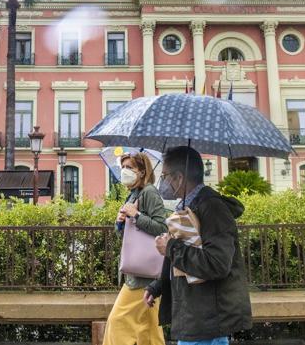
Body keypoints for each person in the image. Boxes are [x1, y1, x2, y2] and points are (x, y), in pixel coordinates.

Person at [144, 146, 252, 345]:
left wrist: (170, 247)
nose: (162, 181)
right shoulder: (189, 206)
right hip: (195, 315)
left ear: (179, 178)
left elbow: (217, 263)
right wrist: (158, 286)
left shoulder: (212, 208)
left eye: (165, 175)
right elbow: (186, 257)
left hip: (208, 320)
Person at [103, 152, 168, 345]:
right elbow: (129, 236)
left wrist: (137, 215)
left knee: (118, 322)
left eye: (130, 168)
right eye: (123, 167)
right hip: (143, 273)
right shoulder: (133, 194)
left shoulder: (149, 192)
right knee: (148, 330)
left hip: (142, 276)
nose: (125, 172)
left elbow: (163, 228)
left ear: (142, 171)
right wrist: (120, 223)